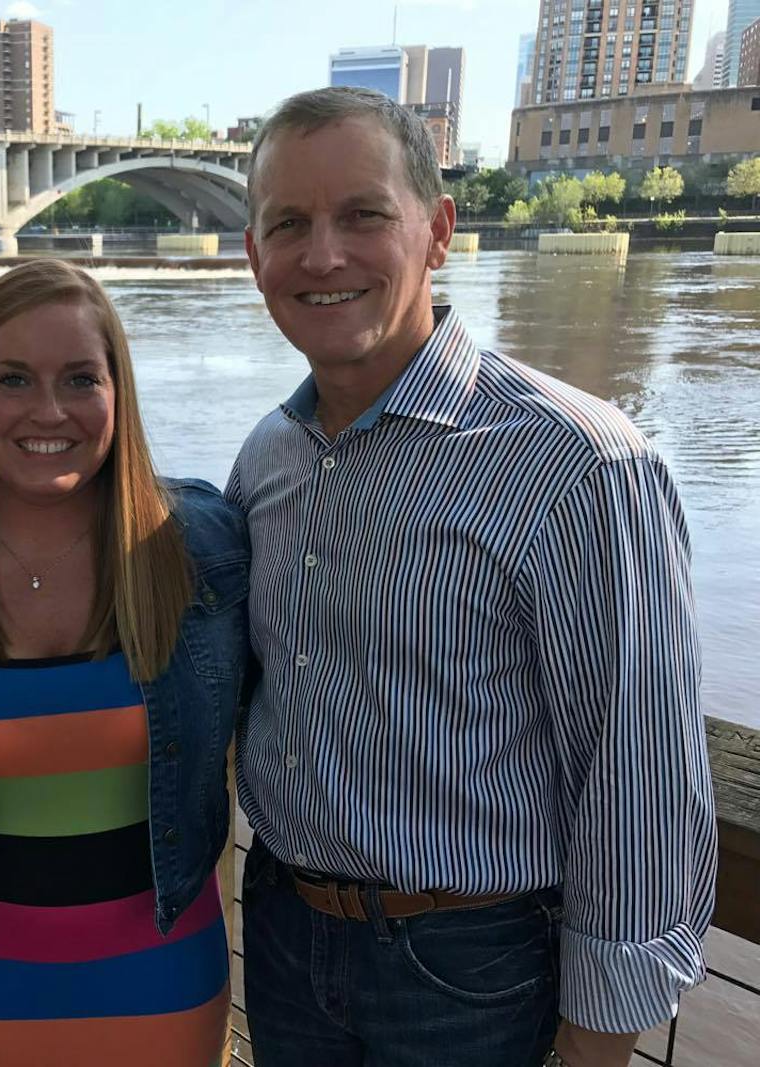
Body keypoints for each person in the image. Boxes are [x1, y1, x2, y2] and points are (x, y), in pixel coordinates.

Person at [228, 85, 716, 1067]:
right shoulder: (264, 462)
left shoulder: (576, 462)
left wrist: (597, 1039)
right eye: (288, 224)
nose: (322, 255)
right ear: (253, 257)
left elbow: (638, 775)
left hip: (472, 967)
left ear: (437, 230)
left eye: (362, 214)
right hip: (281, 933)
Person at [0, 260, 249, 1067]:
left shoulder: (200, 552)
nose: (49, 411)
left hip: (163, 966)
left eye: (79, 378)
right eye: (13, 379)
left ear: (117, 391)